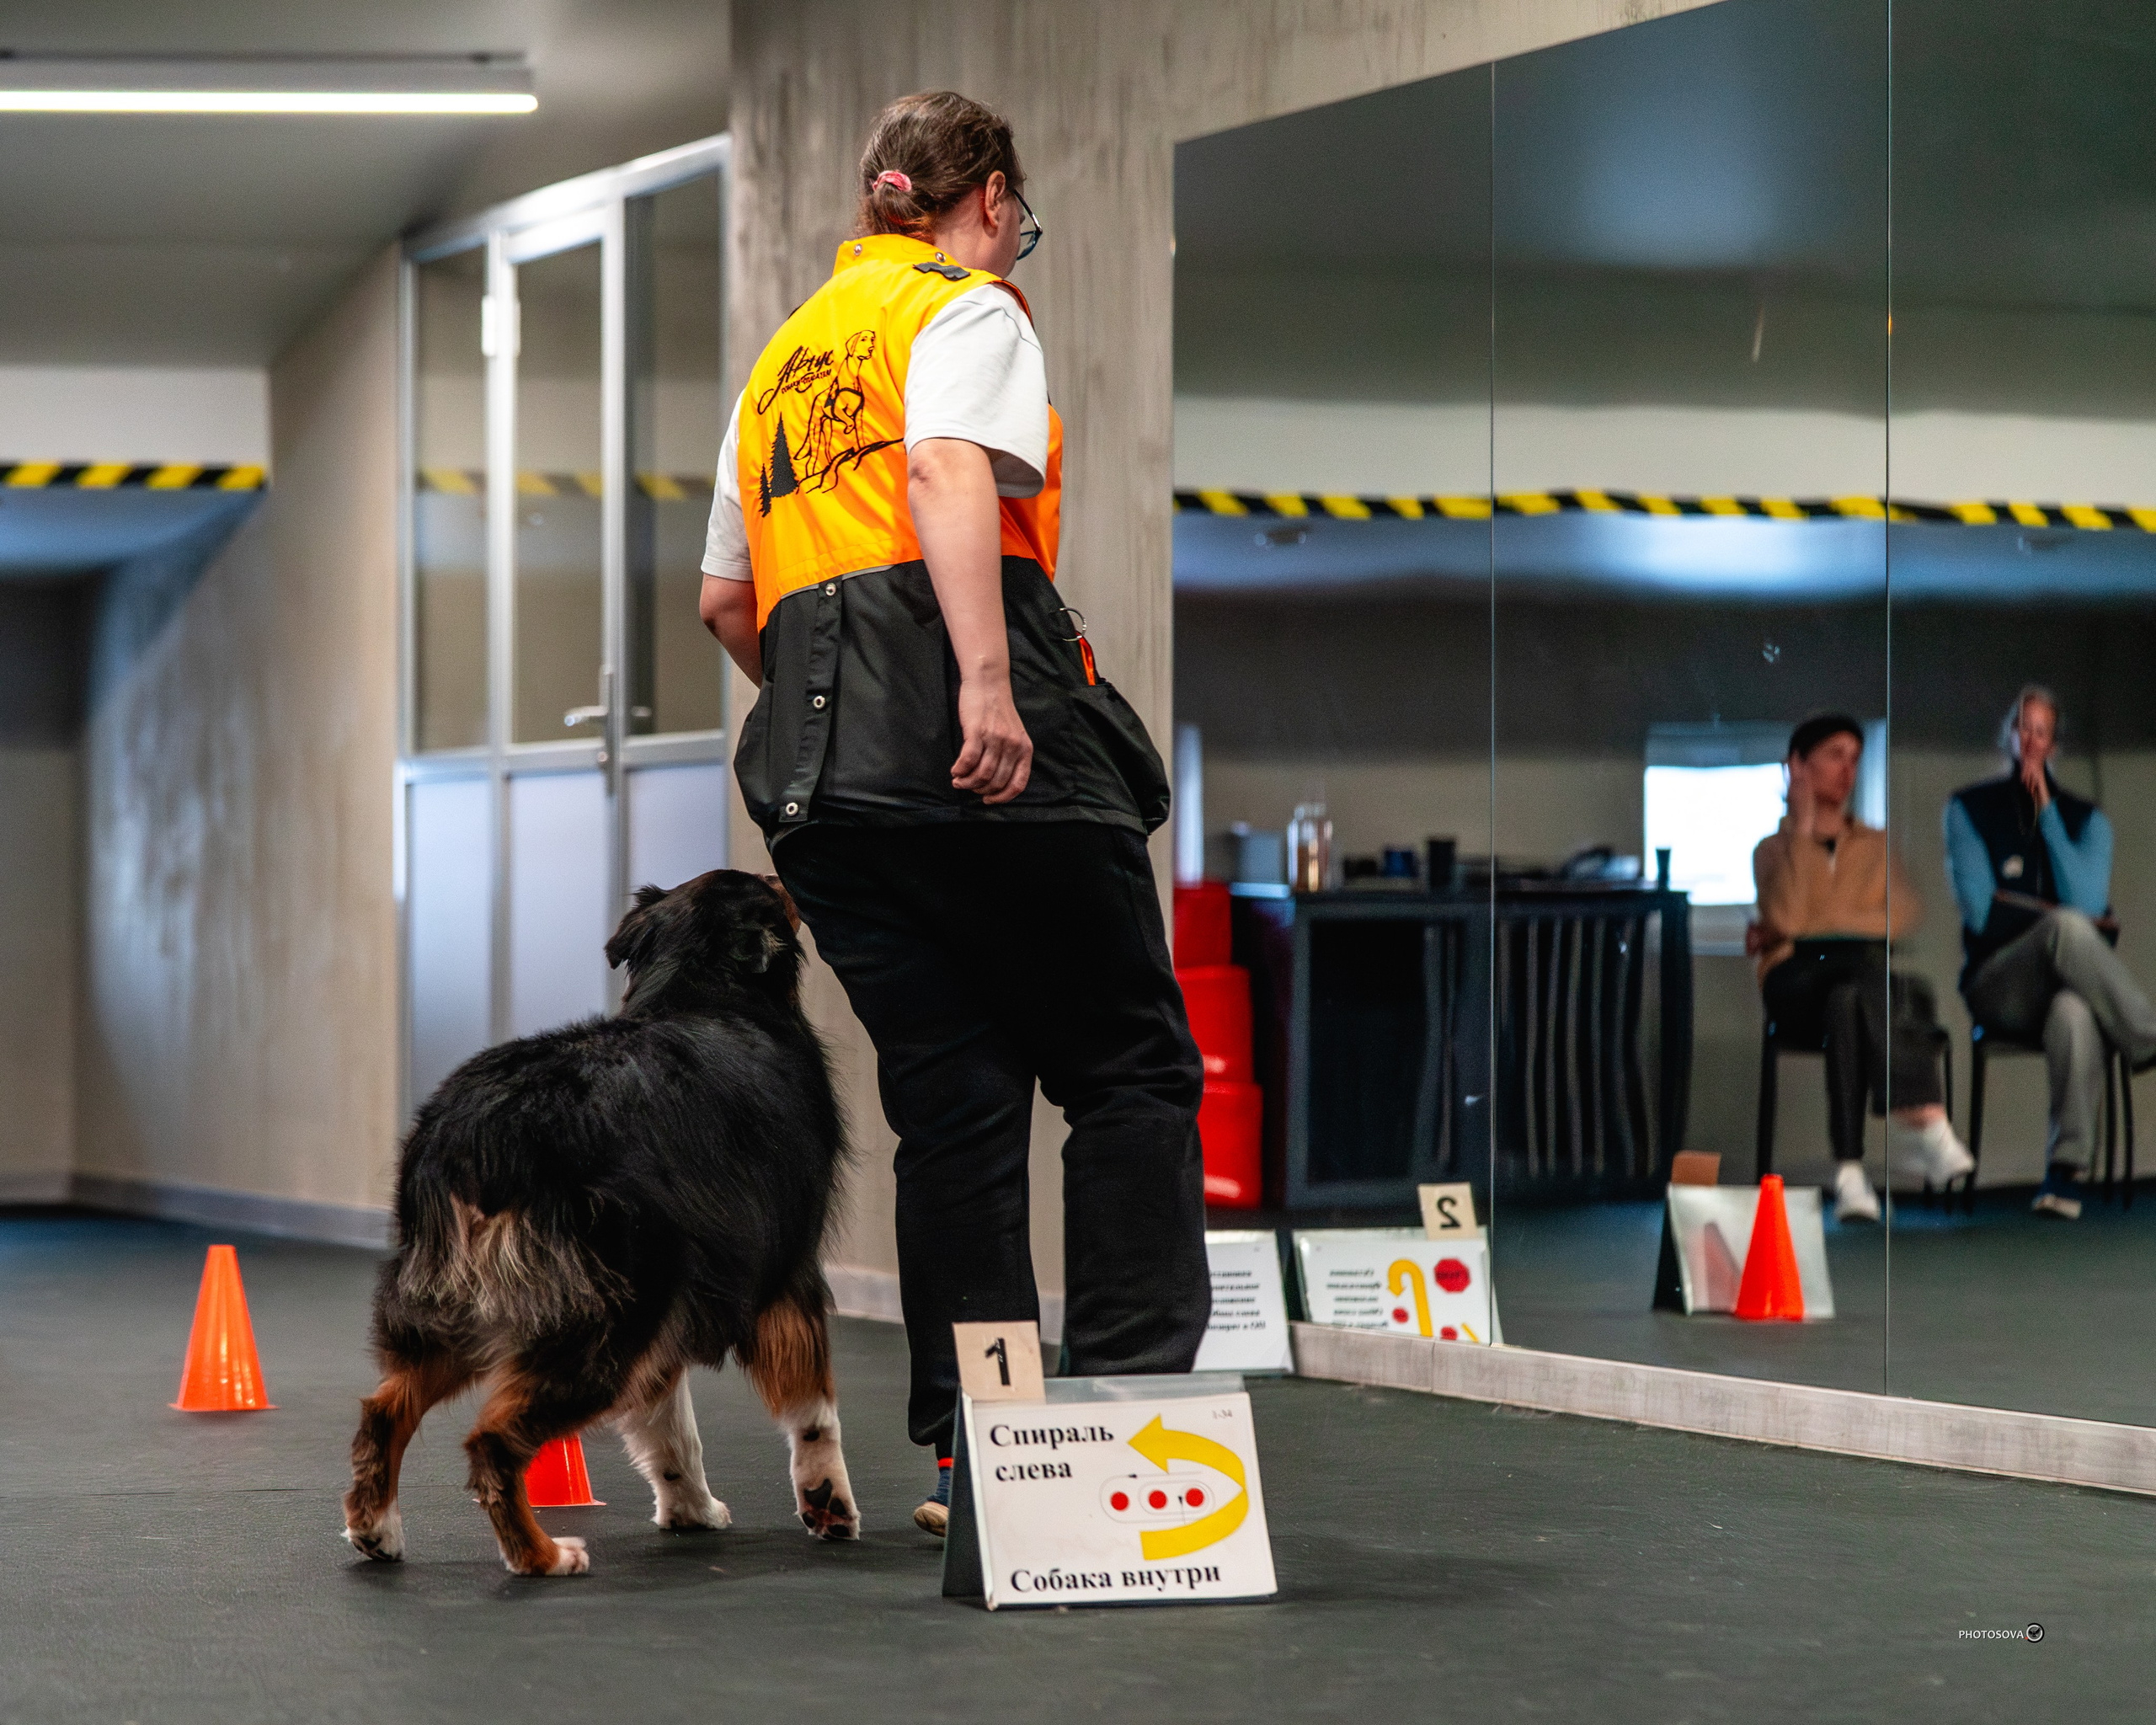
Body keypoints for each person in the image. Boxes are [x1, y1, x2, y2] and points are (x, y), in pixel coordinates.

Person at [698, 91, 1210, 1535]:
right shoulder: (965, 309)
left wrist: (843, 714)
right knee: (1129, 1071)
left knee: (958, 1100)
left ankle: (980, 1455)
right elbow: (944, 473)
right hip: (998, 768)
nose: (1016, 243)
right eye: (1020, 220)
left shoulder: (781, 364)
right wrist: (979, 684)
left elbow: (728, 602)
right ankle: (1121, 1425)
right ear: (981, 199)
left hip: (825, 802)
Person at [1750, 713, 1973, 1222]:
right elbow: (1787, 917)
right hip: (1793, 984)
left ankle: (1850, 1174)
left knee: (1851, 994)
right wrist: (1804, 833)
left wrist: (1812, 924)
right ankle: (1923, 1116)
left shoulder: (1875, 844)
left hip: (1852, 985)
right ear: (1798, 767)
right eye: (1834, 756)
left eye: (1855, 758)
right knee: (1874, 971)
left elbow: (1903, 916)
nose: (1847, 770)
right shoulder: (1770, 850)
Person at [1945, 686, 2156, 1219]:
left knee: (2075, 1008)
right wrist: (2061, 919)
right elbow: (1982, 915)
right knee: (2066, 926)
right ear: (2007, 737)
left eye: (2042, 731)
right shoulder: (1970, 809)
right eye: (2023, 728)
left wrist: (2048, 811)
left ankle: (2063, 1176)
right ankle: (2147, 1036)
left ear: (2055, 746)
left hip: (2061, 985)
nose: (2032, 740)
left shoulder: (2088, 821)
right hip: (1999, 983)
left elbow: (2084, 897)